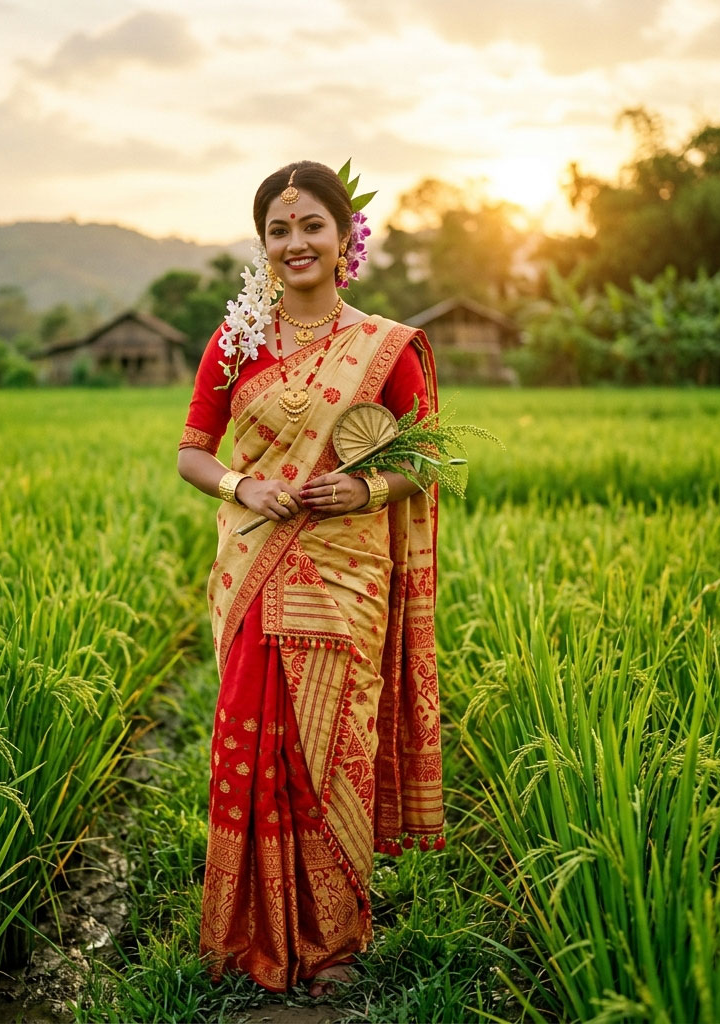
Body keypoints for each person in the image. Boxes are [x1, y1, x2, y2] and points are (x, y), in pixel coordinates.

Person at [177, 160, 444, 997]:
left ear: (343, 241)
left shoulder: (385, 348)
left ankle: (331, 945)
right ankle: (244, 934)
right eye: (279, 231)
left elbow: (426, 457)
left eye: (311, 227)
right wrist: (240, 483)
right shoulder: (237, 342)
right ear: (265, 247)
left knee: (333, 753)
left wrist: (365, 487)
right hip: (254, 568)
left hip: (342, 578)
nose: (295, 243)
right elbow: (191, 452)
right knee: (249, 747)